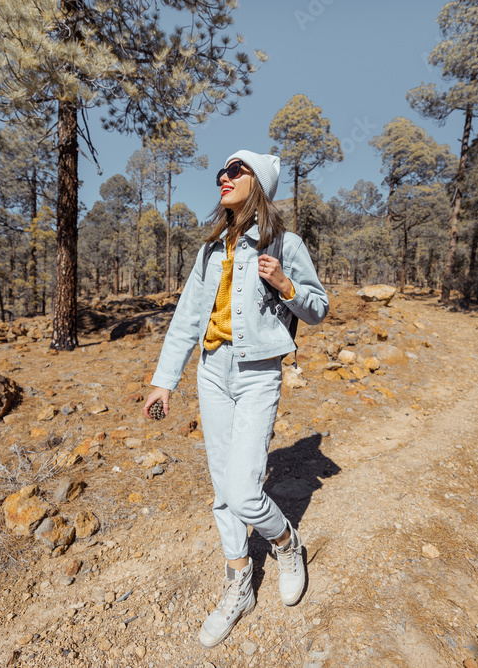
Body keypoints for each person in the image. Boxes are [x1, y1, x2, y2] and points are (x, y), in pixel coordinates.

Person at [143, 150, 329, 648]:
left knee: (246, 491)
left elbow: (318, 308)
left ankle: (287, 543)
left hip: (257, 374)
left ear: (258, 184)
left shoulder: (284, 244)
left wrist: (286, 284)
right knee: (223, 488)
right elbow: (186, 319)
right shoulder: (211, 250)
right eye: (221, 173)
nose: (223, 178)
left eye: (235, 171)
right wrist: (165, 380)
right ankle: (238, 582)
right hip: (211, 372)